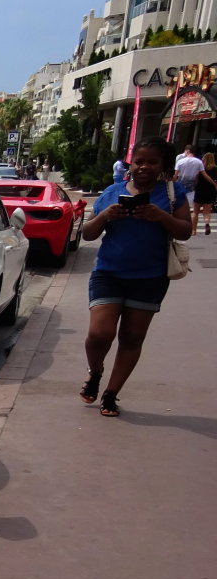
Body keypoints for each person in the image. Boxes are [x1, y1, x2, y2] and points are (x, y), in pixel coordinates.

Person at [79, 136, 191, 417]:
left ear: (162, 165)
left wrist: (159, 216)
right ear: (131, 163)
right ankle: (95, 371)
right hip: (109, 272)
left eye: (152, 162)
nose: (144, 167)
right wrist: (106, 215)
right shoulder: (112, 191)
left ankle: (110, 394)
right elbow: (88, 234)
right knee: (99, 334)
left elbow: (184, 231)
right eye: (139, 161)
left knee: (132, 338)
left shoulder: (171, 193)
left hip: (150, 278)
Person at [174, 144, 203, 213]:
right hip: (191, 187)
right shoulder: (199, 162)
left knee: (178, 205)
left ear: (187, 151)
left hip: (180, 185)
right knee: (189, 207)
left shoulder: (180, 161)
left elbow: (175, 175)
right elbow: (199, 175)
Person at [193, 152, 216, 236]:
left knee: (195, 212)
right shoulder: (215, 169)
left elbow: (195, 179)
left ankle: (194, 230)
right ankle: (206, 224)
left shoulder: (200, 169)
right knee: (207, 212)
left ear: (204, 159)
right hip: (210, 191)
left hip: (200, 190)